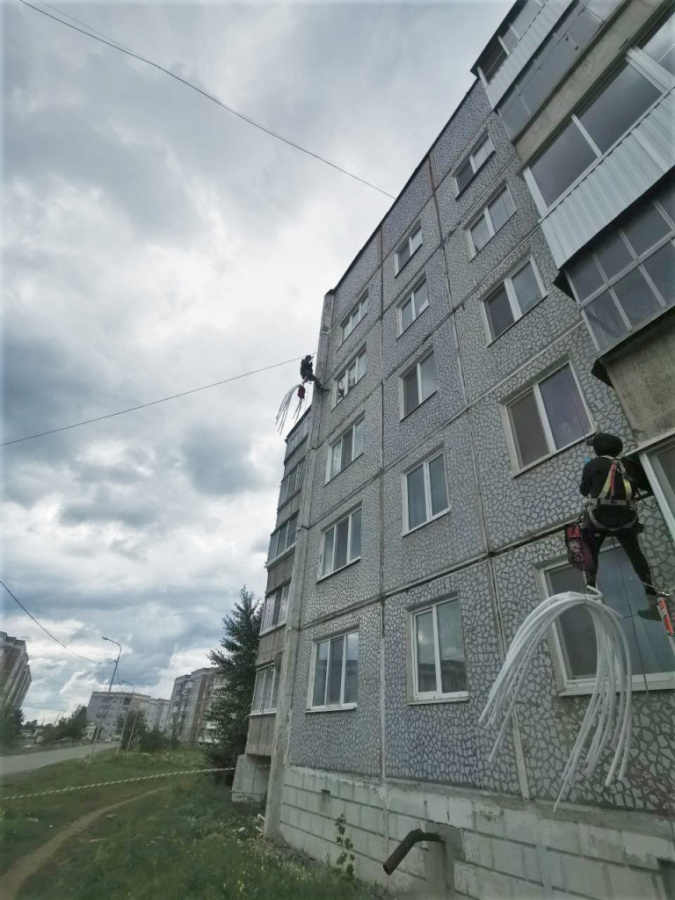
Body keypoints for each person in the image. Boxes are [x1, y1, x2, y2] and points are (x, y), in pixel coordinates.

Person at [580, 432, 660, 620]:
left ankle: (591, 592)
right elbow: (646, 485)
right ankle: (652, 599)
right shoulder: (629, 465)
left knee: (590, 550)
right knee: (635, 554)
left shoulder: (592, 465)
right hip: (626, 522)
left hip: (599, 521)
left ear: (598, 450)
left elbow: (584, 490)